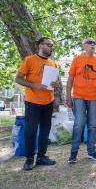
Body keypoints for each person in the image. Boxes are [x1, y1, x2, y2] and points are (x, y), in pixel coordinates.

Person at [15, 37, 59, 171]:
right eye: (49, 45)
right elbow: (18, 79)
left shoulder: (53, 63)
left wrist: (55, 84)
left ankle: (41, 157)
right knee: (31, 131)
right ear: (40, 45)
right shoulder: (29, 60)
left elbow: (54, 82)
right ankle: (29, 159)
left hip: (48, 102)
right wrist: (34, 85)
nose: (51, 48)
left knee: (45, 130)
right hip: (32, 102)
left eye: (52, 45)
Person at [67, 38, 96, 164]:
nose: (93, 45)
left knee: (92, 125)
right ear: (84, 46)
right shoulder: (77, 59)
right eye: (90, 43)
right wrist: (68, 95)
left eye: (94, 43)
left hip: (94, 98)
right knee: (79, 123)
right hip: (79, 96)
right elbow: (70, 79)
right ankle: (73, 153)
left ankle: (91, 152)